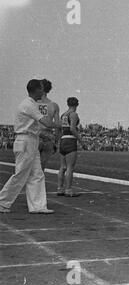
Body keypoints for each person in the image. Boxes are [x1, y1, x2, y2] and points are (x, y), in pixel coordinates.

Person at [0, 80, 59, 214]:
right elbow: (47, 123)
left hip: (31, 140)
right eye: (42, 89)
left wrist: (44, 134)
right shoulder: (28, 105)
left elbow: (36, 127)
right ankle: (2, 201)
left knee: (37, 174)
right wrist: (59, 123)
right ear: (36, 90)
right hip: (25, 142)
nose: (43, 92)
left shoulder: (31, 104)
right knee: (21, 174)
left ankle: (38, 206)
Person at [57, 97, 82, 197]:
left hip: (63, 140)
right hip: (70, 141)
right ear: (77, 105)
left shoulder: (63, 115)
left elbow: (59, 128)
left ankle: (60, 188)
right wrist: (81, 140)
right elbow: (72, 128)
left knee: (62, 167)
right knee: (70, 167)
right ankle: (68, 189)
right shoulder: (73, 114)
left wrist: (58, 141)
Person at [37, 79, 60, 171]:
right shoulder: (54, 105)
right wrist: (56, 142)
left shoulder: (33, 103)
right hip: (48, 137)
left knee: (30, 168)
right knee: (41, 168)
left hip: (35, 136)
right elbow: (58, 125)